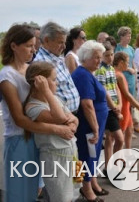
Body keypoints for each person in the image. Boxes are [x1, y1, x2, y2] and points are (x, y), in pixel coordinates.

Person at [3, 25, 77, 202]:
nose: (34, 49)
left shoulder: (30, 69)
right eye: (29, 45)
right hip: (20, 140)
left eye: (34, 45)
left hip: (41, 140)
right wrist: (58, 129)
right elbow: (20, 119)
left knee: (41, 189)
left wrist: (71, 121)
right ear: (14, 46)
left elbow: (55, 104)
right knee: (22, 194)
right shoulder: (7, 76)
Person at [24, 62, 79, 202]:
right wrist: (47, 92)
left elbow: (75, 119)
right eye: (54, 80)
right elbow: (60, 117)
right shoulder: (33, 106)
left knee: (75, 188)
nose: (58, 83)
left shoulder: (55, 100)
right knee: (61, 197)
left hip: (72, 151)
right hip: (54, 157)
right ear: (40, 83)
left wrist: (71, 124)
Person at [72, 40, 112, 200]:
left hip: (95, 124)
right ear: (86, 57)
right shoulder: (82, 75)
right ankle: (85, 189)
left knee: (92, 155)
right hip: (88, 126)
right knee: (86, 156)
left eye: (100, 57)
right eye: (96, 57)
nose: (99, 60)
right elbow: (87, 105)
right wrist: (95, 128)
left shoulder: (88, 73)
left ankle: (92, 183)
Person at [96, 46, 125, 182]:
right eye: (107, 55)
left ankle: (109, 168)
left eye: (112, 54)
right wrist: (114, 108)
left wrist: (119, 104)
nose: (110, 57)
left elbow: (116, 88)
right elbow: (103, 92)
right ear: (101, 56)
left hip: (114, 107)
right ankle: (114, 168)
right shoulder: (100, 70)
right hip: (107, 109)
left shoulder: (111, 69)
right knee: (119, 139)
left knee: (110, 139)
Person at [113, 52, 139, 153]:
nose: (128, 65)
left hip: (126, 106)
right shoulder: (118, 75)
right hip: (123, 107)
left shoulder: (119, 74)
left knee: (130, 129)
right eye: (127, 63)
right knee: (121, 134)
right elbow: (127, 94)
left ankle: (128, 152)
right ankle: (119, 158)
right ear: (120, 62)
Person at [115, 27, 139, 134]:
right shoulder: (118, 48)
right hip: (122, 76)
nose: (129, 38)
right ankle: (122, 127)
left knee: (131, 102)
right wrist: (128, 69)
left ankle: (130, 127)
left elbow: (133, 61)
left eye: (130, 35)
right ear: (121, 36)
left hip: (131, 77)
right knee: (123, 101)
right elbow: (116, 62)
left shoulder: (131, 49)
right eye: (127, 36)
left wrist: (135, 70)